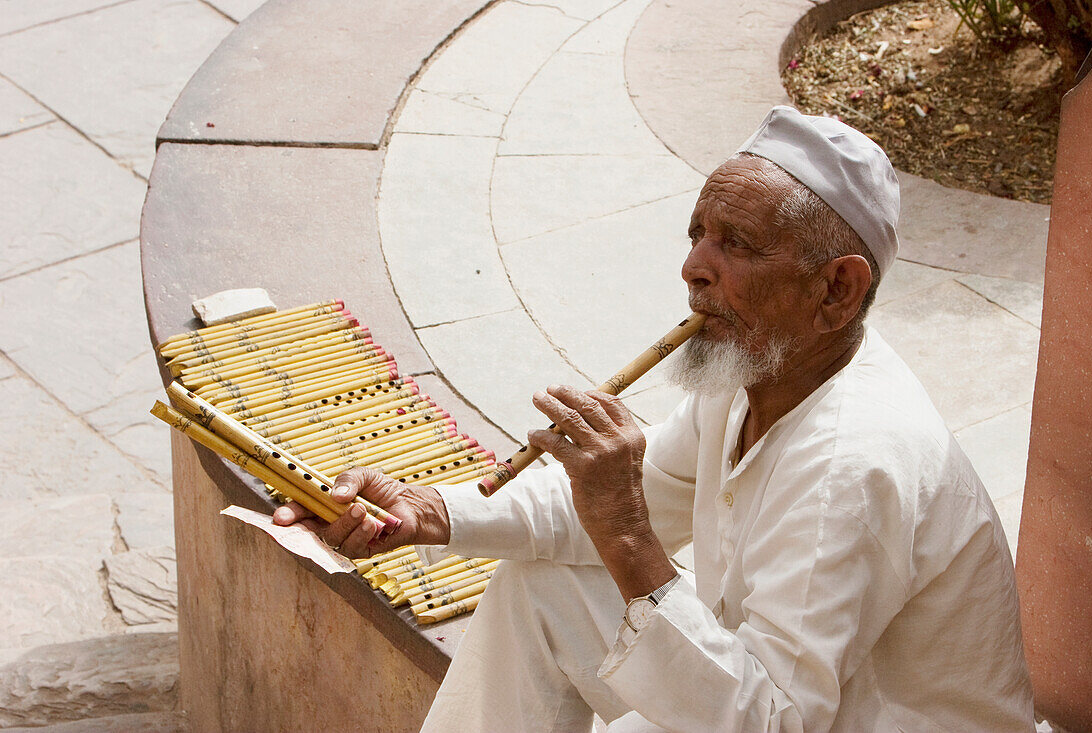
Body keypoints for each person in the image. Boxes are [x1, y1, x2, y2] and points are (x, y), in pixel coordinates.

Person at [275, 106, 1035, 731]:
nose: (694, 267)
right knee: (540, 592)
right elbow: (609, 508)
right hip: (760, 694)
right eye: (699, 233)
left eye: (736, 244)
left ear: (835, 290)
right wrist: (434, 510)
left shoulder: (855, 460)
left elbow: (774, 721)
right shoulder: (753, 371)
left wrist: (631, 534)